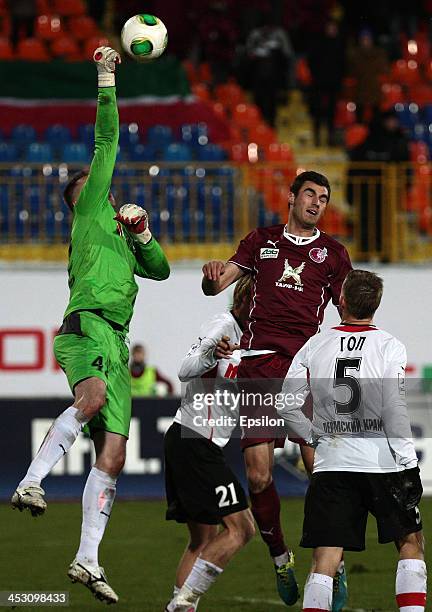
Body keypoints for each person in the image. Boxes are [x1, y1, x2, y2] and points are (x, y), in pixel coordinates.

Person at [11, 47, 170, 604]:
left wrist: (144, 233)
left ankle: (87, 558)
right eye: (93, 183)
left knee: (116, 453)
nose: (103, 184)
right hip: (86, 328)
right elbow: (108, 141)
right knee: (93, 393)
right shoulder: (89, 210)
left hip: (117, 342)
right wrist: (107, 78)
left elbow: (163, 271)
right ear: (81, 198)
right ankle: (31, 480)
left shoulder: (121, 239)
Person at [201, 170, 352, 607]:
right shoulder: (260, 241)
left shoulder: (334, 254)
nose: (316, 203)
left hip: (305, 367)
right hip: (259, 368)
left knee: (322, 473)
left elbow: (350, 309)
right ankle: (280, 557)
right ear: (291, 197)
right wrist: (211, 277)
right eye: (309, 194)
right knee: (258, 474)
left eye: (323, 198)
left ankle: (332, 564)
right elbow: (219, 282)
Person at [278, 269, 427, 612]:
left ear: (341, 300)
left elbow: (285, 402)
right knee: (410, 542)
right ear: (377, 304)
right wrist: (408, 461)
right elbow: (393, 408)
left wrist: (314, 435)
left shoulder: (316, 344)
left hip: (332, 462)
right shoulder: (389, 346)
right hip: (383, 462)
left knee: (326, 556)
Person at [164, 275, 255, 612]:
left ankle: (182, 607)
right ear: (245, 300)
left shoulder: (251, 337)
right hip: (194, 441)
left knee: (201, 540)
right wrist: (212, 355)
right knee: (241, 528)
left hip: (191, 440)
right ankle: (178, 607)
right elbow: (185, 369)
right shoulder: (223, 325)